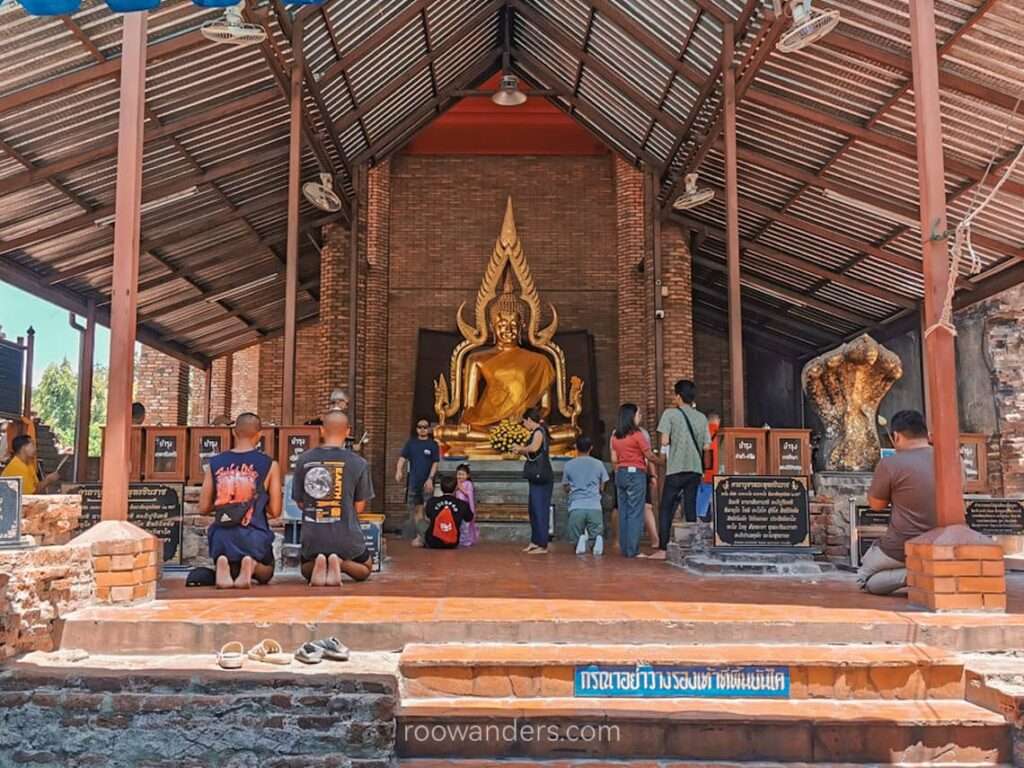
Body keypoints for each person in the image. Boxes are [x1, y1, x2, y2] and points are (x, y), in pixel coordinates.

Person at [858, 409, 937, 596]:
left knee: (864, 579)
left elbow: (876, 505)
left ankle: (914, 576)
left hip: (900, 547)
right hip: (943, 544)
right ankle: (931, 573)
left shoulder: (890, 464)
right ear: (926, 434)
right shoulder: (953, 460)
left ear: (896, 437)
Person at [293, 409, 374, 586]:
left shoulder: (304, 459)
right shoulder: (359, 463)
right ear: (348, 432)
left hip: (314, 536)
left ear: (321, 430)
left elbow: (300, 502)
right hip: (346, 537)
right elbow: (359, 507)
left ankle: (319, 562)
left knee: (305, 569)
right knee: (366, 568)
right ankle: (340, 563)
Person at [199, 413, 280, 589]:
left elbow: (203, 507)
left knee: (229, 558)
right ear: (259, 435)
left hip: (221, 536)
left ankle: (222, 562)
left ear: (234, 433)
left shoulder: (214, 463)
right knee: (267, 572)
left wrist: (226, 504)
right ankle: (251, 565)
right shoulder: (269, 464)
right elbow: (275, 510)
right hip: (253, 534)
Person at [652, 380, 711, 561]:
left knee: (666, 508)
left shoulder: (670, 414)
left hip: (676, 468)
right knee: (690, 507)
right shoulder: (701, 418)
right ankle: (691, 547)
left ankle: (662, 549)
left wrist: (662, 456)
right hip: (694, 469)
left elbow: (664, 441)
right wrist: (703, 469)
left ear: (678, 396)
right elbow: (707, 447)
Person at [610, 404, 662, 558]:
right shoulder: (638, 434)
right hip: (636, 474)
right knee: (635, 513)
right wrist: (662, 462)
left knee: (624, 511)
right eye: (638, 414)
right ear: (631, 416)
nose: (640, 417)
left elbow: (614, 458)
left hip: (621, 473)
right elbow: (649, 456)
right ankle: (633, 550)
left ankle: (626, 548)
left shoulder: (615, 436)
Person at [396, 418, 439, 547]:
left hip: (427, 482)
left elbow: (435, 463)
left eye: (425, 427)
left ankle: (428, 535)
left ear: (428, 429)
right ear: (417, 429)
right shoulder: (411, 444)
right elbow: (402, 458)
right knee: (417, 509)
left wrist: (430, 478)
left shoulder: (433, 445)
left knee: (427, 509)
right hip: (414, 481)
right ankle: (420, 536)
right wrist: (399, 471)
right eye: (420, 427)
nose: (422, 429)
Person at [563, 436, 608, 556]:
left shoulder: (569, 465)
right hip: (594, 506)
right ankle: (595, 541)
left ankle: (580, 541)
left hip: (576, 506)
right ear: (591, 448)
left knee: (575, 537)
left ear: (576, 447)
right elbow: (602, 486)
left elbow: (566, 486)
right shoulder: (598, 464)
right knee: (596, 532)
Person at [516, 407, 553, 555]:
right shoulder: (536, 432)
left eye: (524, 422)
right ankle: (535, 541)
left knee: (540, 509)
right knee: (534, 509)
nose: (524, 425)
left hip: (541, 476)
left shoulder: (539, 432)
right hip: (535, 476)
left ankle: (542, 544)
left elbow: (534, 447)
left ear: (530, 420)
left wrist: (520, 448)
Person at [424, 474, 475, 549]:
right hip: (452, 543)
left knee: (420, 518)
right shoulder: (462, 504)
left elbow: (427, 516)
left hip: (432, 541)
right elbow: (469, 518)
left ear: (441, 488)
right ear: (456, 488)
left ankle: (419, 539)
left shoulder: (432, 501)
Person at [697, 412, 722, 522]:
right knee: (711, 498)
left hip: (702, 471)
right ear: (718, 421)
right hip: (715, 471)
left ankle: (700, 515)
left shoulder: (701, 433)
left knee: (701, 496)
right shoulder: (720, 434)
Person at [454, 463, 479, 547]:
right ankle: (459, 540)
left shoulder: (468, 483)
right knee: (459, 525)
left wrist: (461, 489)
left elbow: (470, 496)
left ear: (467, 475)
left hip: (466, 508)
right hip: (458, 508)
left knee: (466, 526)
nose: (460, 476)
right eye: (458, 474)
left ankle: (466, 541)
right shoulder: (456, 483)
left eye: (462, 474)